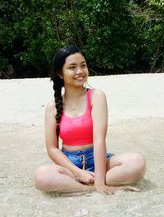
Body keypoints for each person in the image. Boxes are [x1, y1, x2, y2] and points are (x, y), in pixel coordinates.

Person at [34, 45, 146, 194]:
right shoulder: (52, 108)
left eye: (83, 65)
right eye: (72, 67)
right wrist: (77, 172)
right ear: (60, 73)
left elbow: (99, 140)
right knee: (42, 175)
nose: (80, 71)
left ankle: (92, 184)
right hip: (70, 164)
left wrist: (100, 181)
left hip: (98, 160)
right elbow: (52, 149)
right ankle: (86, 188)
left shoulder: (96, 96)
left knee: (136, 162)